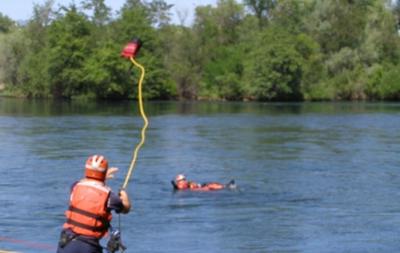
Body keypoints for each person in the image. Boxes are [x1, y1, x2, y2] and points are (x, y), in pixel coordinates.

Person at [57, 155, 131, 253]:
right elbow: (125, 209)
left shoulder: (75, 187)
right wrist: (124, 196)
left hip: (67, 243)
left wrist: (102, 177)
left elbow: (87, 182)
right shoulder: (110, 197)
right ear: (104, 173)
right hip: (89, 247)